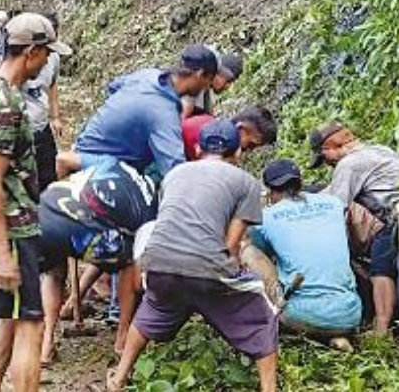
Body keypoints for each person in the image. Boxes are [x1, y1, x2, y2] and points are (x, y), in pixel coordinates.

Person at [107, 119, 277, 392]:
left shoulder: (174, 174)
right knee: (261, 314)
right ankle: (270, 388)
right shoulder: (246, 183)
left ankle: (119, 378)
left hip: (157, 264)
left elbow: (170, 222)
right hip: (205, 267)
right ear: (237, 153)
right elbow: (231, 246)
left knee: (154, 305)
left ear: (198, 149)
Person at [0, 12, 71, 392]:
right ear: (31, 52)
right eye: (45, 54)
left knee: (12, 315)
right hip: (12, 229)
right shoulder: (7, 105)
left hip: (0, 224)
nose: (47, 63)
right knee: (32, 322)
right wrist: (1, 252)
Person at [311, 123, 399, 355]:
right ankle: (383, 327)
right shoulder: (379, 151)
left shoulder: (348, 165)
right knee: (387, 259)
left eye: (324, 157)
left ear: (330, 146)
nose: (327, 163)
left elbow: (334, 211)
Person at [38, 157, 157, 365]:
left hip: (48, 208)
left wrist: (76, 297)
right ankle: (122, 340)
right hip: (88, 226)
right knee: (128, 263)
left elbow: (63, 159)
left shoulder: (111, 161)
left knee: (54, 273)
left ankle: (46, 344)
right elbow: (130, 269)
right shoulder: (151, 207)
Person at [245, 159, 362, 349]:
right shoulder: (333, 203)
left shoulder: (266, 217)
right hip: (350, 313)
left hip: (300, 315)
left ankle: (278, 315)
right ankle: (337, 336)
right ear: (300, 181)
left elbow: (263, 254)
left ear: (270, 190)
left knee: (248, 250)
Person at [56, 44, 218, 179]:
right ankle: (72, 161)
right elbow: (174, 168)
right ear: (199, 74)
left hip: (87, 136)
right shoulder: (162, 114)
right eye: (209, 80)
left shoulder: (147, 75)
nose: (208, 87)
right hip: (99, 158)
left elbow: (113, 87)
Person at [24, 12, 66, 191]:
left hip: (42, 126)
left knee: (49, 178)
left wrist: (55, 116)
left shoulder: (54, 58)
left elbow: (52, 85)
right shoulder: (20, 60)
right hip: (22, 130)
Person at [182, 106, 278, 161]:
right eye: (251, 145)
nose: (249, 150)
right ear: (241, 128)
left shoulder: (216, 130)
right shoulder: (209, 136)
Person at [182, 50, 243, 118]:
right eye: (227, 81)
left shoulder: (208, 93)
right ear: (216, 73)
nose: (227, 86)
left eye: (232, 82)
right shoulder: (194, 88)